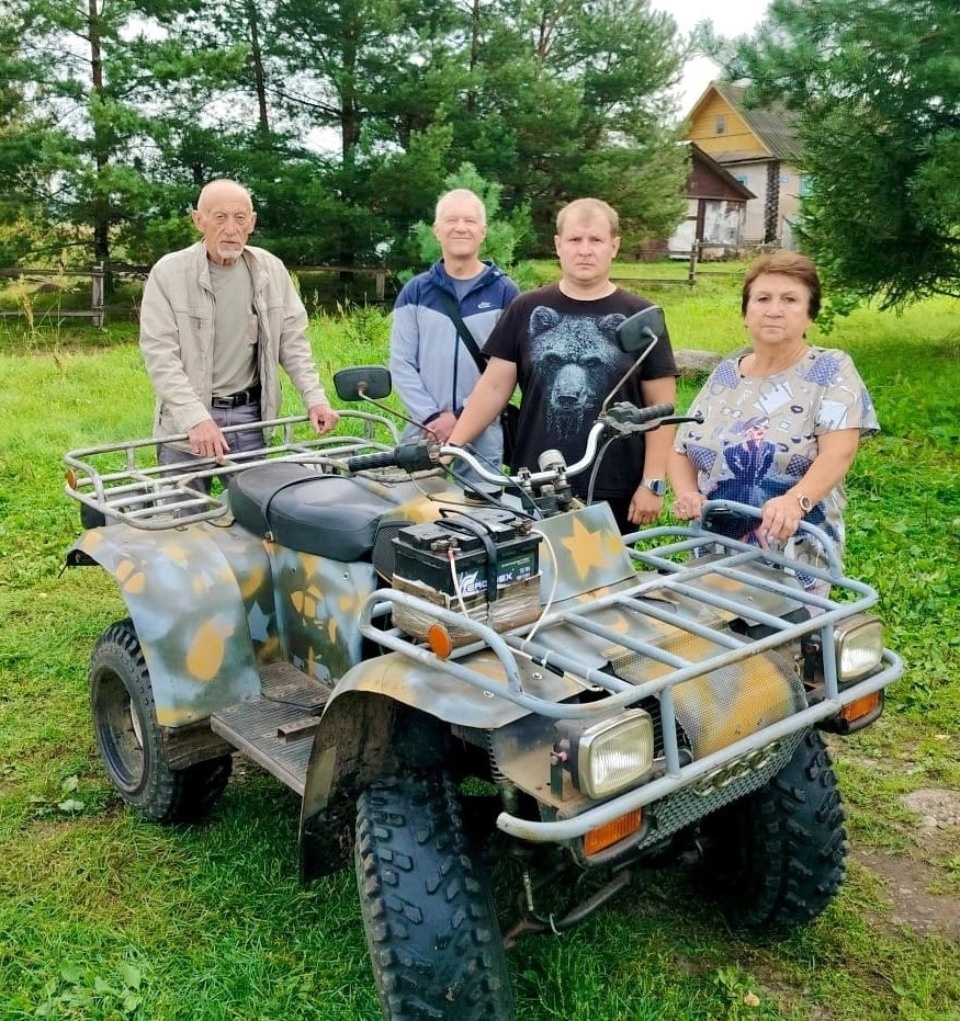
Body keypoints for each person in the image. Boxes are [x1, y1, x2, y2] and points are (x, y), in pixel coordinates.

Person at [446, 197, 678, 532]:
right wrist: (453, 446)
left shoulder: (639, 318)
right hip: (536, 478)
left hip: (614, 481)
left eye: (595, 240)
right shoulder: (526, 309)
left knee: (608, 581)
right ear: (558, 245)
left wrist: (653, 481)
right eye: (575, 240)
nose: (585, 250)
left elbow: (662, 408)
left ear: (614, 246)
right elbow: (493, 387)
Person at [669, 250, 879, 594]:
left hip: (794, 547)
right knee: (716, 635)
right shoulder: (726, 373)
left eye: (790, 300)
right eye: (763, 298)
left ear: (810, 315)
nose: (774, 309)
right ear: (745, 314)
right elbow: (682, 446)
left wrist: (796, 500)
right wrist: (687, 492)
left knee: (791, 641)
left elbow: (839, 451)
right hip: (715, 543)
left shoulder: (829, 369)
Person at [139, 178, 339, 488]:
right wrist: (195, 418)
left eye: (240, 218)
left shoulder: (270, 270)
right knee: (185, 522)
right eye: (220, 218)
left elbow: (293, 342)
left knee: (255, 517)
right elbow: (160, 356)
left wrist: (315, 399)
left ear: (252, 222)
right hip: (186, 421)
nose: (231, 228)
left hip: (248, 417)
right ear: (199, 221)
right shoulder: (169, 273)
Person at [388, 188, 519, 482]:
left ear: (483, 232)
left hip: (483, 430)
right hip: (422, 428)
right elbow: (401, 363)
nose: (461, 227)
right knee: (413, 515)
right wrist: (432, 418)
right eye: (451, 220)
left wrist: (461, 417)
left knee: (481, 516)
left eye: (470, 221)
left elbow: (508, 369)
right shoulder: (415, 292)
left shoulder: (506, 293)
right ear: (437, 230)